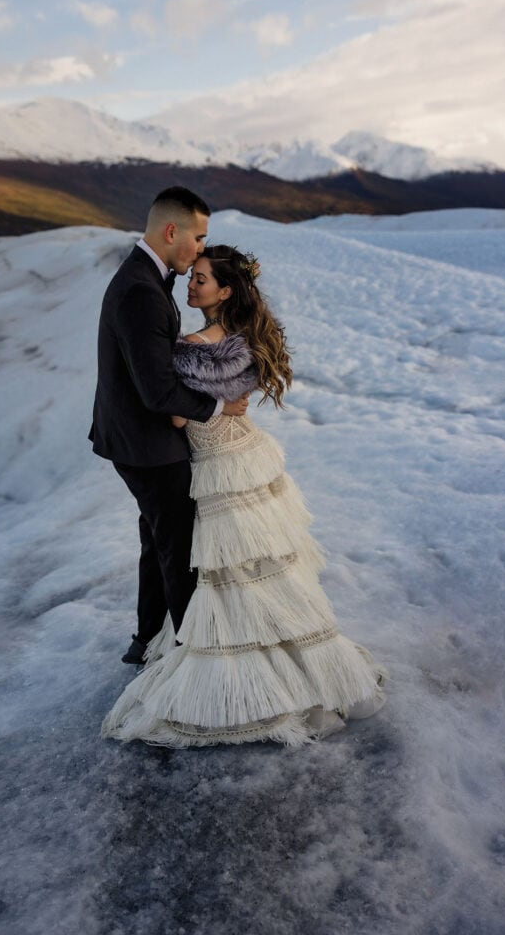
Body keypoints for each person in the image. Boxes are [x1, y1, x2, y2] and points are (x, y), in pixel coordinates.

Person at [102, 244, 387, 746]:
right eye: (192, 278)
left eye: (202, 280)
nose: (191, 285)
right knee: (264, 568)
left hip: (215, 464)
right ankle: (311, 667)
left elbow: (174, 414)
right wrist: (221, 403)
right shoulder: (246, 336)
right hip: (249, 453)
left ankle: (254, 674)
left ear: (226, 290)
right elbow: (233, 399)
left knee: (228, 572)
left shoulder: (192, 346)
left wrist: (192, 401)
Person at [90, 189, 248, 666]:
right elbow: (157, 392)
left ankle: (145, 640)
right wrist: (221, 409)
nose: (201, 248)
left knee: (157, 538)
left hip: (137, 438)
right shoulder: (141, 289)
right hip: (147, 444)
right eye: (198, 237)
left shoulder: (146, 277)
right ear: (171, 231)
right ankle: (193, 660)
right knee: (180, 549)